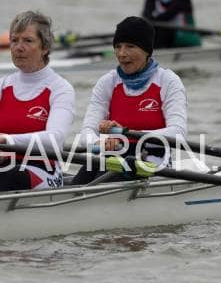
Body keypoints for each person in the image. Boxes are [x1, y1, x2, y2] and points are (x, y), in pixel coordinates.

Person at [0, 11, 75, 193]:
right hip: (2, 169)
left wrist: (4, 140)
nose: (18, 47)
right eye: (14, 40)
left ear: (45, 48)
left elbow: (54, 140)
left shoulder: (60, 89)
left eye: (28, 41)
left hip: (43, 172)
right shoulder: (1, 87)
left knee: (4, 176)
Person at [72, 16, 187, 185]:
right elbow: (87, 131)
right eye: (118, 46)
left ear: (147, 51)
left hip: (152, 162)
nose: (122, 54)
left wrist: (125, 133)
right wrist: (99, 142)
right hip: (114, 156)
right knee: (80, 181)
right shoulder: (107, 82)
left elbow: (178, 133)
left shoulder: (168, 81)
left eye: (130, 47)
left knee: (103, 178)